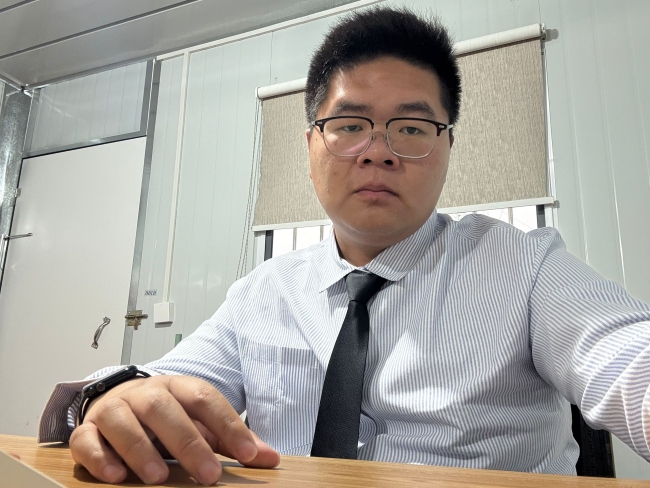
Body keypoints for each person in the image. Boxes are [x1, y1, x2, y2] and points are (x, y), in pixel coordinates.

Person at [39, 6, 650, 486]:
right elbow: (157, 387)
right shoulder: (263, 293)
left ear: (447, 147)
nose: (378, 151)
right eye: (351, 125)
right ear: (312, 144)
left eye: (411, 128)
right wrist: (108, 399)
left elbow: (626, 357)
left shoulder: (526, 266)